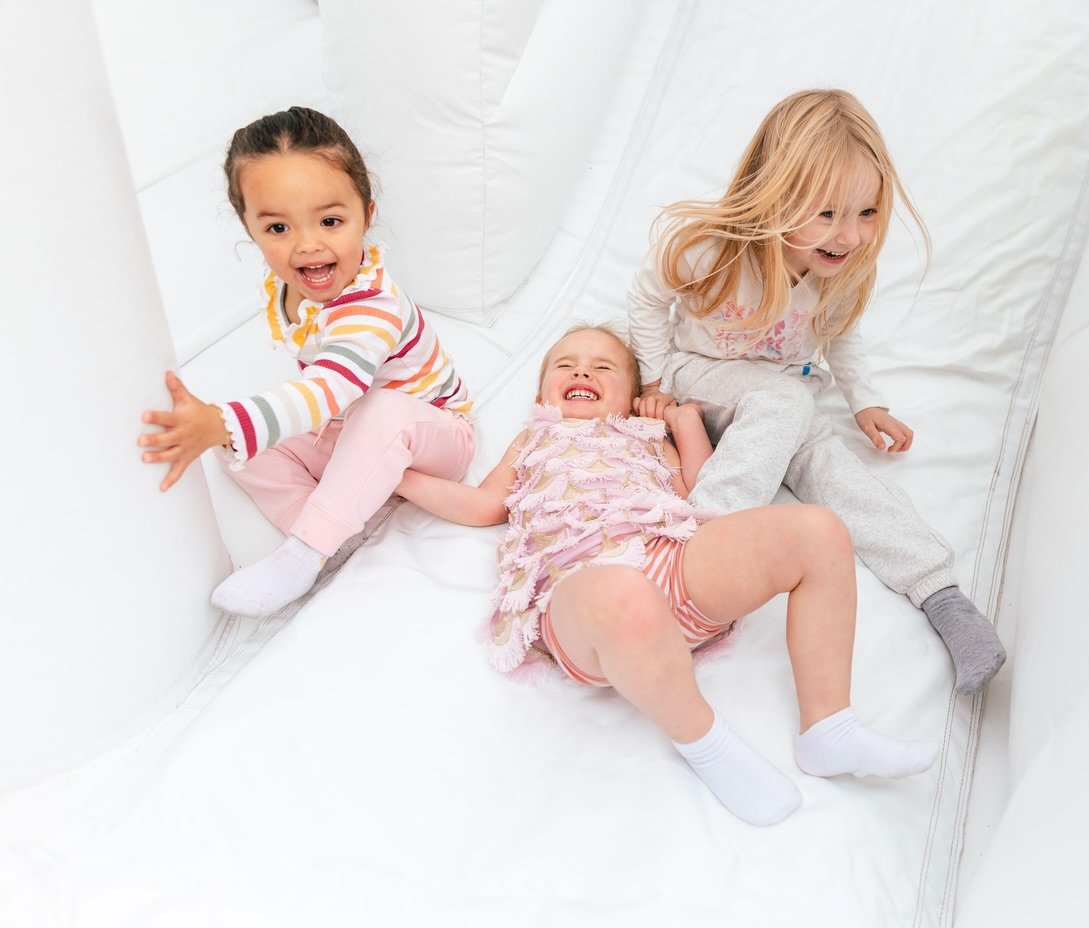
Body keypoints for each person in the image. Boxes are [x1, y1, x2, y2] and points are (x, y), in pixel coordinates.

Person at [396, 325, 937, 826]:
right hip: (584, 598)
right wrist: (402, 477)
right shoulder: (534, 439)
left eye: (604, 368)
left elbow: (705, 494)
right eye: (566, 365)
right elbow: (484, 505)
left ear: (633, 395)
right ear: (542, 395)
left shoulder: (649, 433)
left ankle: (829, 725)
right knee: (621, 594)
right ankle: (706, 741)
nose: (583, 373)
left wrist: (681, 424)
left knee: (818, 531)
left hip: (672, 564)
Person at [627, 88, 1005, 694]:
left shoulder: (843, 272)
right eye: (827, 213)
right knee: (786, 401)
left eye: (867, 213)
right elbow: (648, 298)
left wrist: (864, 402)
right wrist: (651, 377)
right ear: (775, 193)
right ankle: (703, 540)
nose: (849, 235)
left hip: (780, 401)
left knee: (837, 472)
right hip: (699, 377)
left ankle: (943, 597)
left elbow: (842, 337)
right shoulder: (710, 250)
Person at [138, 106, 475, 618]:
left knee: (375, 410)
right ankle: (327, 531)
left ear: (368, 211)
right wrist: (228, 429)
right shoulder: (286, 288)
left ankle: (304, 553)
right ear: (249, 227)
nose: (308, 244)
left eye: (331, 221)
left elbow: (327, 392)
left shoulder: (370, 309)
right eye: (278, 227)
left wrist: (223, 420)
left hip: (432, 435)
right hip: (348, 424)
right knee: (242, 450)